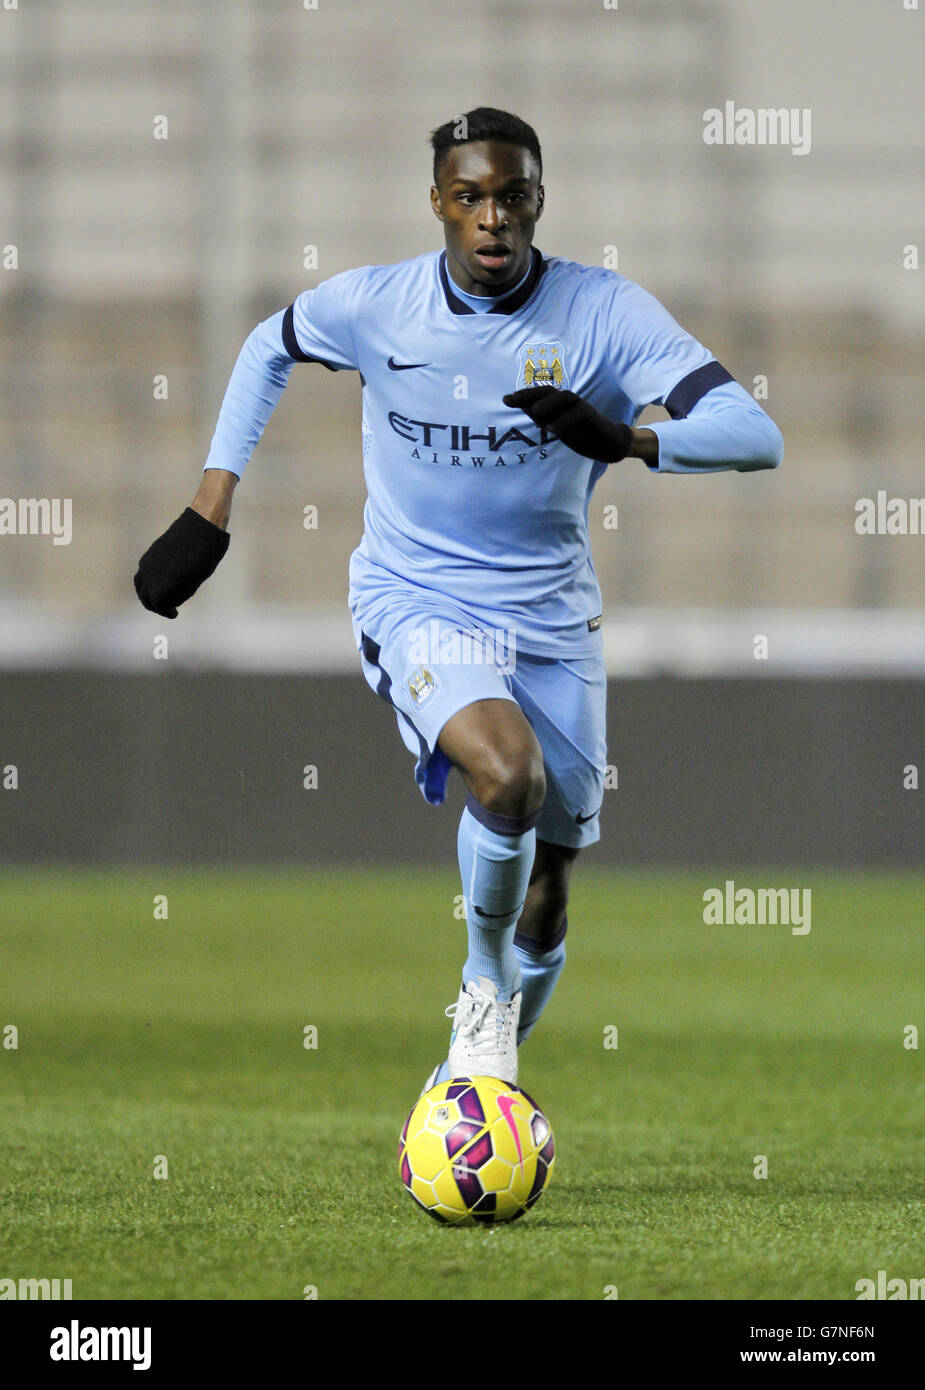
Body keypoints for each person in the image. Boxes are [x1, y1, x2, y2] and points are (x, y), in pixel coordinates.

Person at [134, 106, 783, 1094]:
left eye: (511, 196)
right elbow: (271, 341)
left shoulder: (603, 312)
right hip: (415, 596)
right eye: (470, 197)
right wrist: (210, 504)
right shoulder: (378, 305)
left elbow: (754, 433)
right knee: (507, 776)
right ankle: (480, 994)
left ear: (538, 202)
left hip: (552, 622)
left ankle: (469, 1089)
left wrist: (632, 440)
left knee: (550, 892)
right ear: (436, 202)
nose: (492, 219)